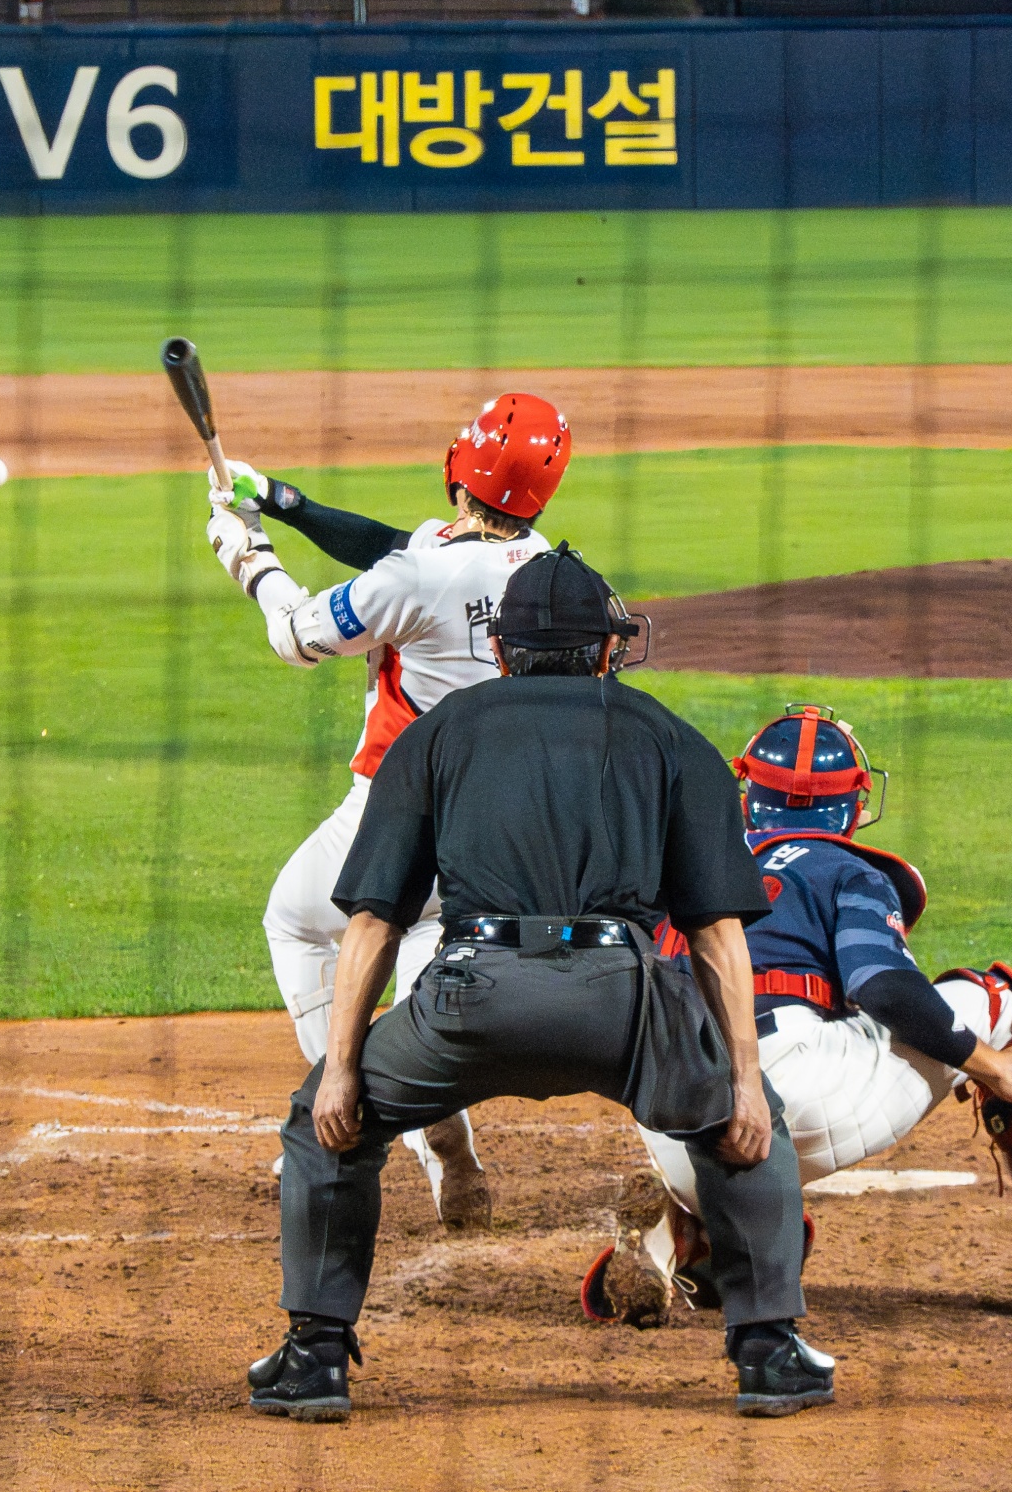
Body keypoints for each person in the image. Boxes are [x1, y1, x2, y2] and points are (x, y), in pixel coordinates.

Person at [249, 546, 833, 1422]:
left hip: (469, 1003)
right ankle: (769, 1353)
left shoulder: (436, 734)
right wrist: (743, 1084)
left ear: (499, 650)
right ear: (605, 648)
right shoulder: (667, 734)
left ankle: (314, 1360)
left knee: (322, 1123)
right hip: (623, 1005)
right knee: (744, 1128)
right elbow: (716, 933)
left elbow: (373, 921)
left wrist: (339, 1073)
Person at [581, 706, 1012, 1326]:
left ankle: (687, 1227)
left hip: (675, 1118)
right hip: (788, 1103)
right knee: (997, 1001)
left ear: (748, 793)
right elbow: (884, 986)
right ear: (855, 803)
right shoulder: (846, 869)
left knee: (686, 1049)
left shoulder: (679, 869)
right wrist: (995, 1068)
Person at [205, 396, 578, 1234]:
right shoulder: (544, 570)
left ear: (459, 467)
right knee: (418, 949)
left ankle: (348, 1107)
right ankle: (441, 1137)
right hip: (509, 834)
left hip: (396, 816)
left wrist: (248, 553)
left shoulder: (414, 580)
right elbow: (396, 549)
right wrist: (284, 500)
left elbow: (295, 636)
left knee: (298, 922)